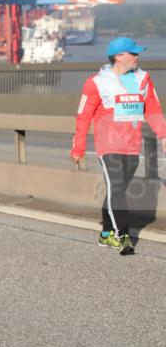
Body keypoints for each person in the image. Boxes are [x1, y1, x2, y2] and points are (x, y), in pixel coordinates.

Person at [72, 37, 166, 255]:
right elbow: (83, 116)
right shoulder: (96, 82)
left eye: (137, 52)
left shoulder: (144, 79)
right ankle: (122, 235)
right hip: (108, 146)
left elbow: (152, 110)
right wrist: (79, 147)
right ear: (118, 56)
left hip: (132, 147)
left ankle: (105, 233)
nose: (137, 56)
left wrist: (163, 135)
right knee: (116, 187)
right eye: (133, 53)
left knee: (118, 190)